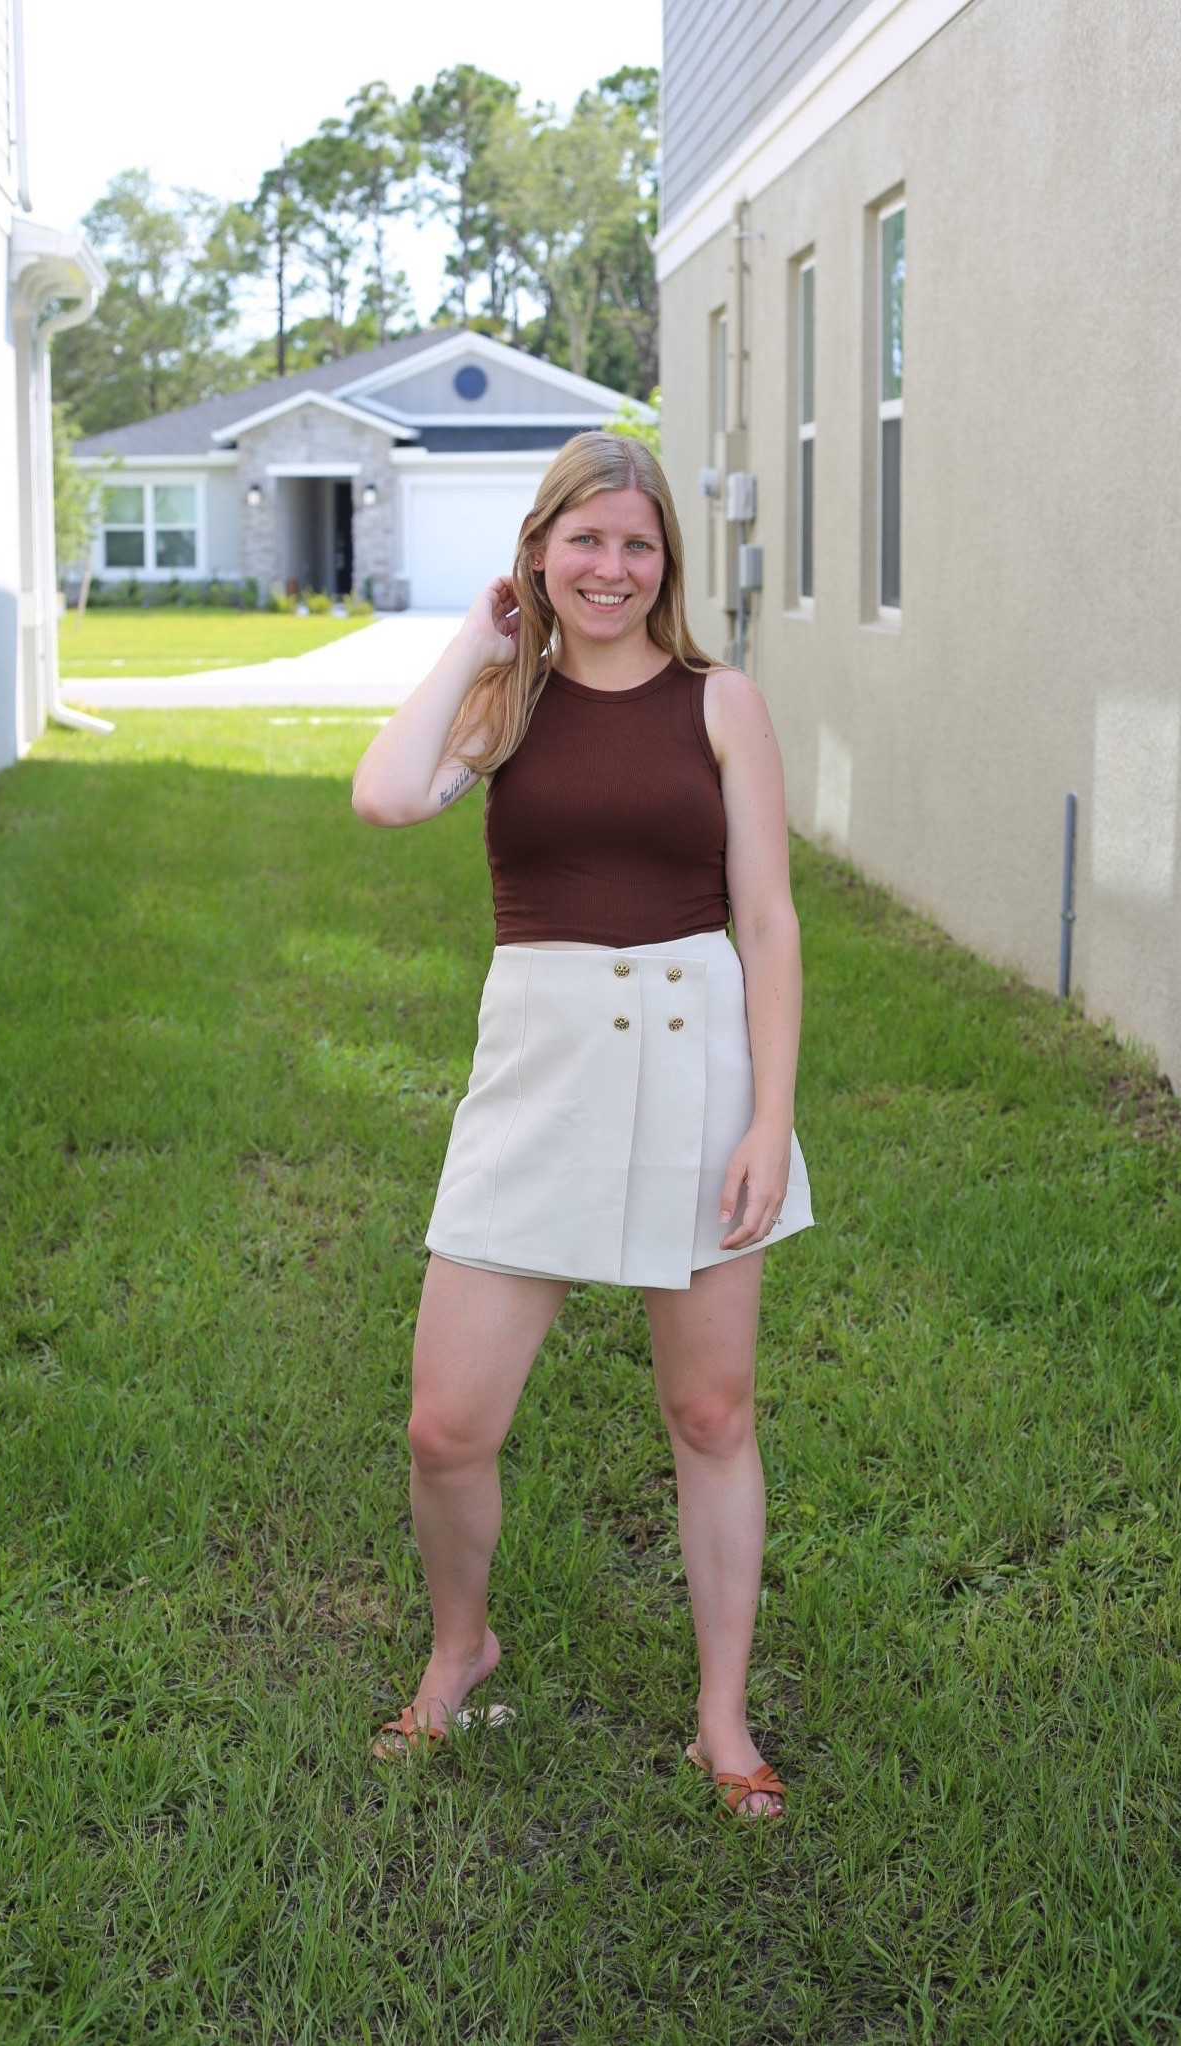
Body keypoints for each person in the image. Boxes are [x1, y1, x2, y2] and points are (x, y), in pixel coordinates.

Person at [351, 431, 812, 1817]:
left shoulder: (721, 702)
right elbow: (382, 796)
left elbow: (770, 919)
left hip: (699, 1061)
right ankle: (460, 1649)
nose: (611, 567)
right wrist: (478, 641)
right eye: (585, 540)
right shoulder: (506, 699)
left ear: (665, 562)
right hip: (539, 1074)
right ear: (541, 552)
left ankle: (721, 1720)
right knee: (446, 1424)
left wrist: (769, 1116)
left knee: (710, 1407)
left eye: (637, 543)